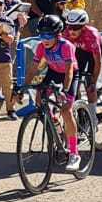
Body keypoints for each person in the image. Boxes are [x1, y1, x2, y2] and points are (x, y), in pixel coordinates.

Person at [28, 13, 81, 165]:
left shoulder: (66, 46)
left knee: (66, 110)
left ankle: (74, 154)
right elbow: (33, 69)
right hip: (53, 73)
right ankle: (56, 126)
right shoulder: (40, 47)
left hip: (68, 75)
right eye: (42, 35)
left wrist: (64, 90)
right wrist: (22, 86)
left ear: (57, 35)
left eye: (49, 35)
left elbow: (69, 70)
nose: (45, 39)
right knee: (40, 102)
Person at [63, 8, 102, 103]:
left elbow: (98, 62)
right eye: (70, 27)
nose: (72, 31)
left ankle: (93, 114)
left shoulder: (91, 35)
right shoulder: (65, 33)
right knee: (74, 80)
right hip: (80, 52)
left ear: (83, 27)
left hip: (93, 53)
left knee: (90, 86)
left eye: (76, 27)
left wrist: (93, 82)